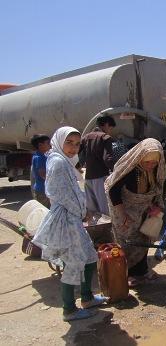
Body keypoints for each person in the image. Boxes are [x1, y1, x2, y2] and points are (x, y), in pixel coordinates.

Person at [33, 126, 106, 322]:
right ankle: (69, 309)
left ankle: (88, 298)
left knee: (90, 256)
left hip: (73, 218)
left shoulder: (64, 160)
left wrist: (81, 209)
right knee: (74, 263)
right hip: (66, 219)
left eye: (77, 144)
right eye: (69, 143)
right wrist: (79, 209)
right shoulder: (57, 162)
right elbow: (55, 192)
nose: (73, 148)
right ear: (59, 141)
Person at [105, 138, 166, 287]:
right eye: (147, 162)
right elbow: (113, 191)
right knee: (128, 242)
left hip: (144, 211)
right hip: (126, 213)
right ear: (139, 158)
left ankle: (143, 271)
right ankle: (129, 273)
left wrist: (155, 206)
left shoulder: (155, 171)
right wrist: (123, 215)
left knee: (143, 240)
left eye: (154, 163)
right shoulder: (129, 171)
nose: (150, 165)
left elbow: (155, 191)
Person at [79, 115, 116, 215]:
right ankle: (106, 229)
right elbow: (108, 159)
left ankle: (94, 229)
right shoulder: (105, 138)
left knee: (92, 209)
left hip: (88, 178)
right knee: (105, 209)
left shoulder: (86, 137)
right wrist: (116, 171)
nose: (110, 131)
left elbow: (76, 152)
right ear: (107, 125)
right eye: (111, 128)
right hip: (101, 177)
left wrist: (77, 166)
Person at [30, 134, 51, 208]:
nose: (50, 144)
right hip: (43, 190)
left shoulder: (39, 155)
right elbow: (43, 174)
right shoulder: (40, 158)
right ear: (40, 145)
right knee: (45, 211)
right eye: (48, 143)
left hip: (41, 189)